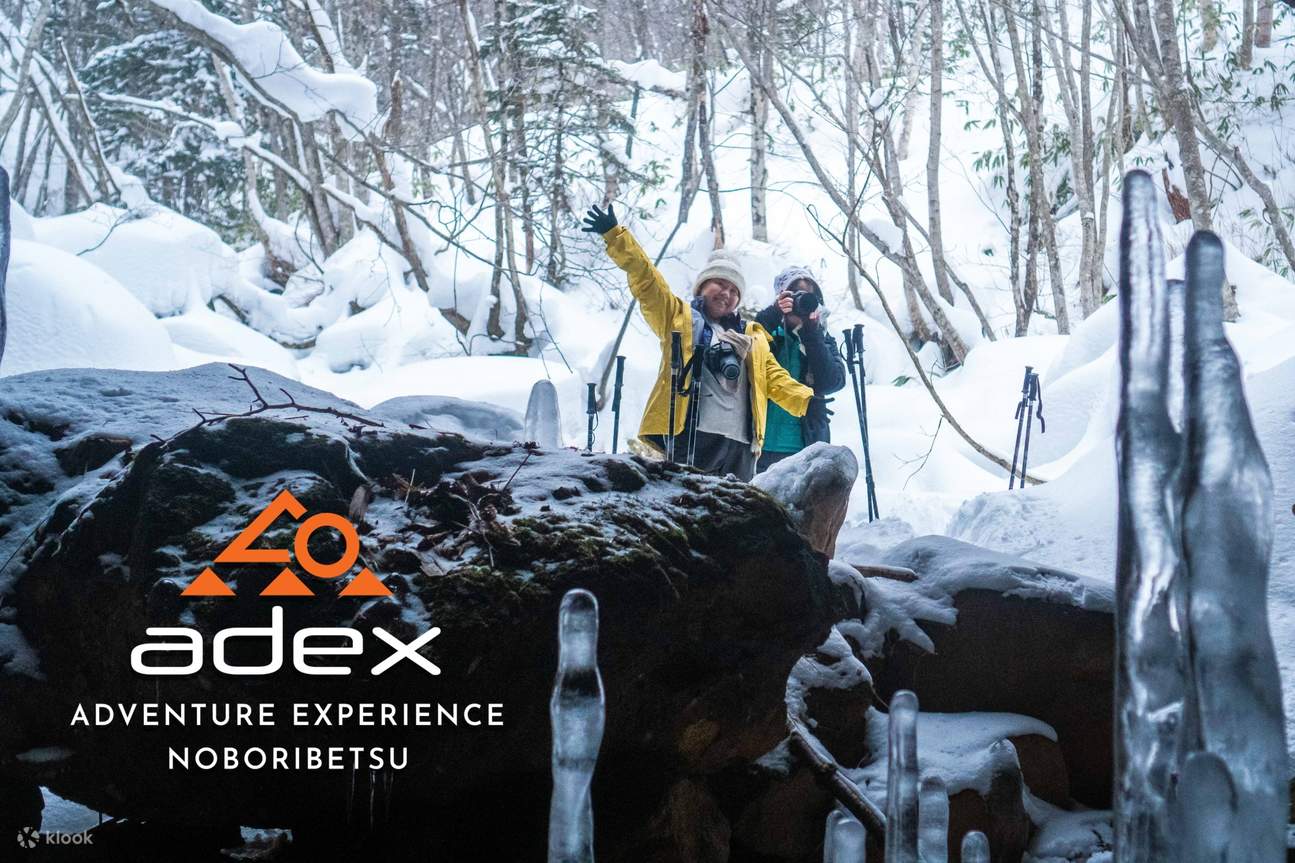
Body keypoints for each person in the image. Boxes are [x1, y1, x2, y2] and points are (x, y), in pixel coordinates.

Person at [581, 203, 815, 481]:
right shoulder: (679, 318)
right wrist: (616, 237)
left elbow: (773, 377)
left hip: (741, 444)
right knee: (688, 507)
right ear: (702, 286)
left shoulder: (752, 334)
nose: (726, 294)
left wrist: (806, 400)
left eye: (733, 290)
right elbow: (647, 282)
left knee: (734, 514)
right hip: (691, 434)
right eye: (720, 284)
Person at [753, 266, 848, 472]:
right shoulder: (766, 332)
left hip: (804, 449)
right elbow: (745, 346)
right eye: (796, 293)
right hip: (757, 446)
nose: (802, 301)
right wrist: (773, 314)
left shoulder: (821, 339)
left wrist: (811, 334)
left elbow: (833, 382)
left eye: (809, 296)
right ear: (781, 298)